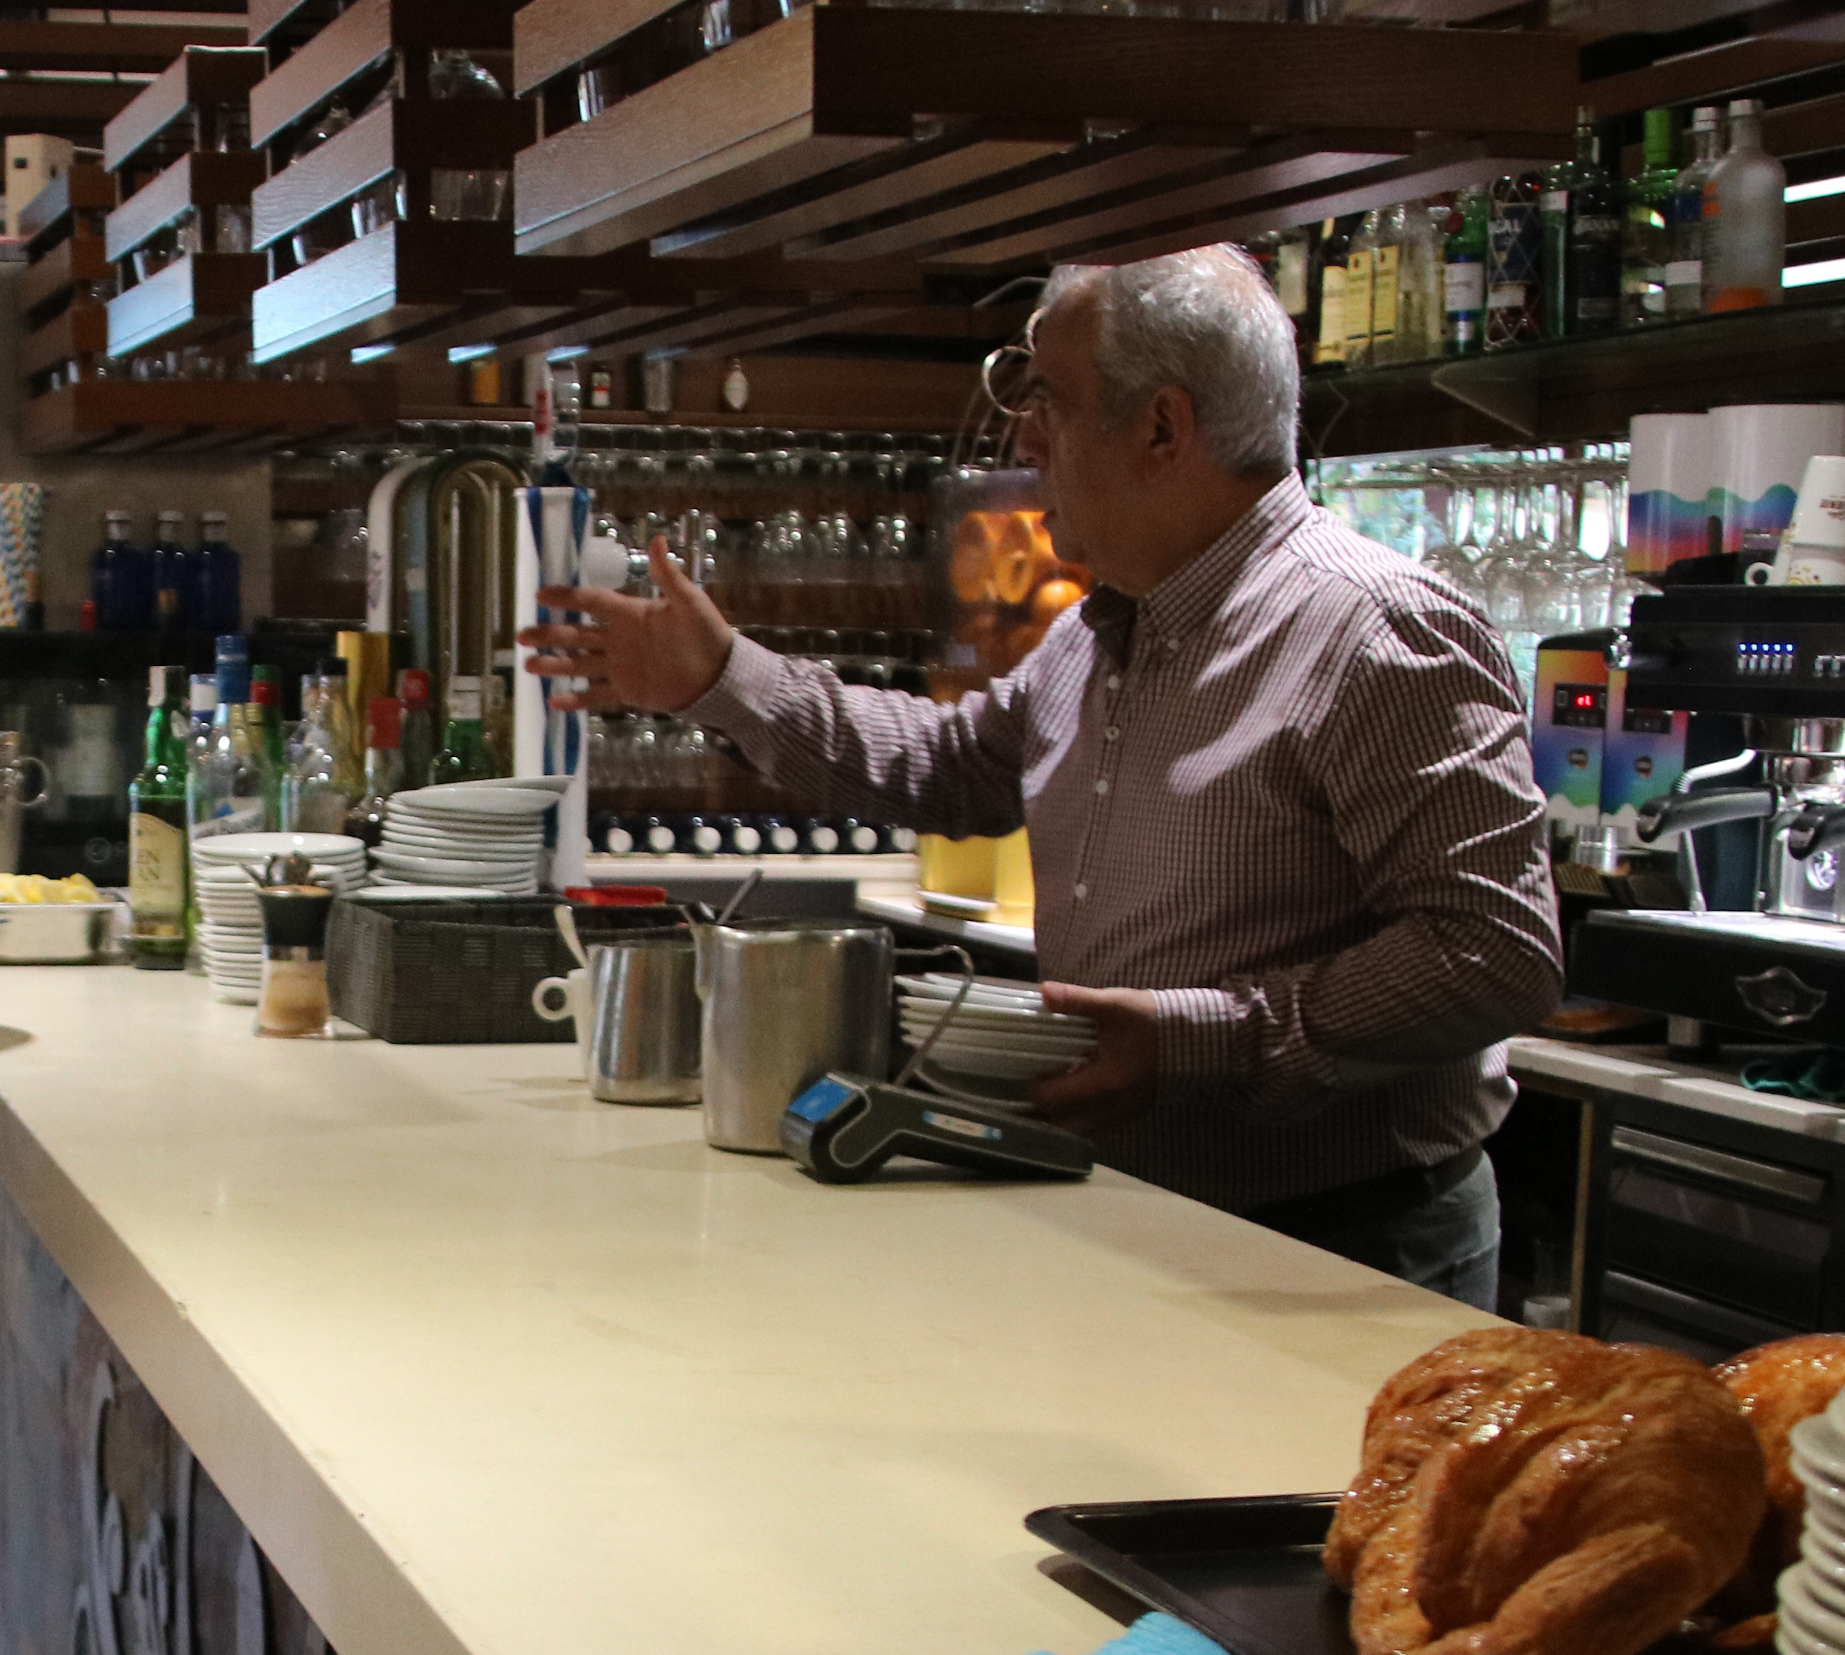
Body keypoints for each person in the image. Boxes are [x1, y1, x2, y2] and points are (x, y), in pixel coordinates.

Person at [526, 246, 1560, 1305]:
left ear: (1162, 428)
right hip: (1135, 1214)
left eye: (1050, 403)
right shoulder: (1101, 629)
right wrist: (723, 678)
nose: (1024, 438)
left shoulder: (1379, 630)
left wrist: (1196, 1041)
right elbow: (944, 766)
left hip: (1342, 1245)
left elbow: (1493, 954)